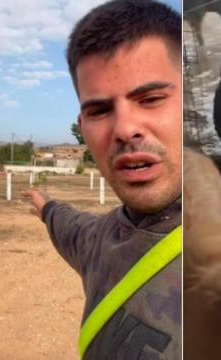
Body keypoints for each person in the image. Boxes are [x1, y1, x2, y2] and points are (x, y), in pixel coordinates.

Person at [23, 0, 182, 358]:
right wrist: (45, 206)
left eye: (151, 98)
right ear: (83, 128)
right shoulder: (101, 241)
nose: (125, 129)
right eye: (99, 110)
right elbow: (72, 228)